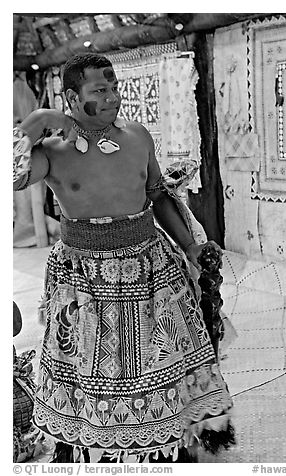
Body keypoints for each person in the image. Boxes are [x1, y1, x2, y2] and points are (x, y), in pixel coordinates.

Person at [13, 53, 234, 463]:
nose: (113, 97)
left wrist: (189, 247)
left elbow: (156, 197)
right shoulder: (52, 151)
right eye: (101, 90)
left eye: (115, 87)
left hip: (150, 264)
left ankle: (168, 440)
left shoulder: (137, 136)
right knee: (89, 361)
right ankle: (93, 444)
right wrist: (35, 120)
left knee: (162, 354)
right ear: (72, 98)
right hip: (83, 274)